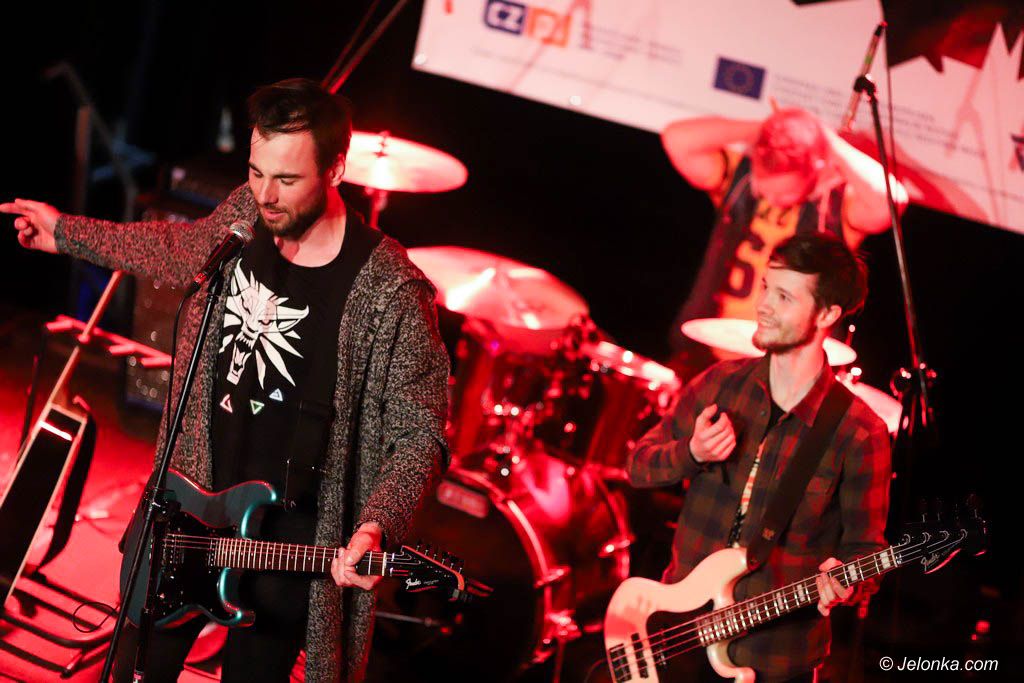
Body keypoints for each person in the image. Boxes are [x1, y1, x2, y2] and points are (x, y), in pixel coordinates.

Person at [2, 78, 450, 682]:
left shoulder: (390, 292)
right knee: (131, 668)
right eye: (256, 172)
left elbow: (421, 432)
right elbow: (179, 249)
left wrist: (378, 523)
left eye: (286, 179)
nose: (265, 194)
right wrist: (65, 233)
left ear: (336, 169)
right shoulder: (247, 214)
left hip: (288, 541)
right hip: (190, 503)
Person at [628, 233, 892, 681]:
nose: (763, 305)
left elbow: (865, 551)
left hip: (775, 658)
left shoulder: (860, 432)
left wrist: (845, 579)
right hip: (677, 636)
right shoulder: (720, 384)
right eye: (766, 287)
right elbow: (638, 465)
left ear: (827, 315)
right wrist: (690, 453)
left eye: (784, 296)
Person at [662, 107, 906, 378]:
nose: (773, 199)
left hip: (785, 370)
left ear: (813, 171)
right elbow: (676, 138)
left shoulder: (835, 206)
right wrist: (767, 129)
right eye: (765, 187)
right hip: (711, 355)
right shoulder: (741, 180)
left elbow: (892, 200)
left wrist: (824, 139)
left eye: (785, 193)